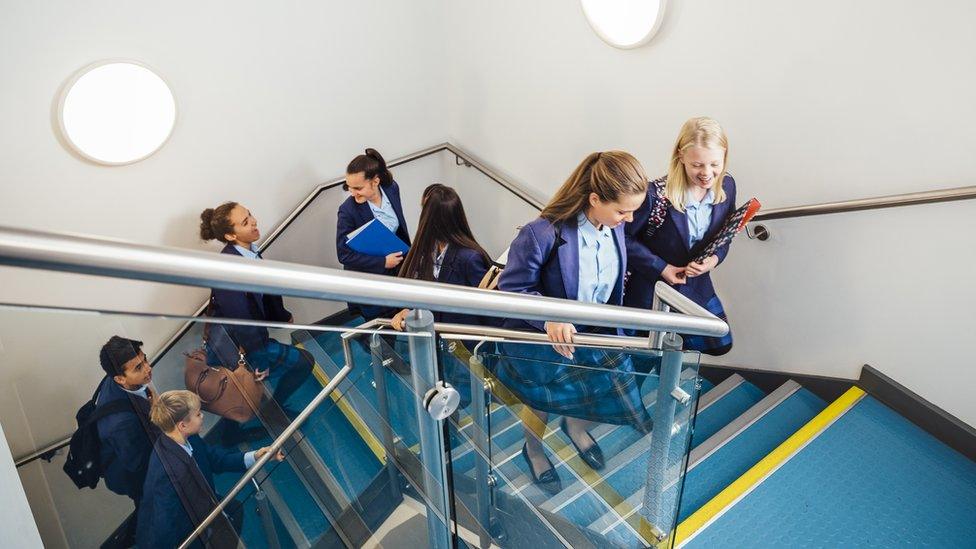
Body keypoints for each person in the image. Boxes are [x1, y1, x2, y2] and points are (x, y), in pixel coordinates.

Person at [496, 151, 650, 495]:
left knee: (604, 393)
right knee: (541, 405)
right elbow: (512, 290)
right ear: (594, 199)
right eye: (622, 211)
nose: (628, 219)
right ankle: (533, 450)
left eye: (633, 211)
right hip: (549, 342)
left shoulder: (613, 227)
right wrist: (550, 318)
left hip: (596, 336)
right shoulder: (541, 233)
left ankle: (576, 428)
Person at [624, 117, 737, 355]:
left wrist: (714, 260)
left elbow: (726, 234)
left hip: (695, 286)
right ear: (680, 156)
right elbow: (623, 239)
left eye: (715, 164)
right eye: (698, 165)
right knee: (648, 356)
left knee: (720, 343)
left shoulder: (727, 186)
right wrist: (662, 267)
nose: (707, 173)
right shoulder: (655, 195)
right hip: (652, 290)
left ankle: (671, 363)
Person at [199, 203, 314, 431]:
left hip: (245, 342)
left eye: (249, 214)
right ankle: (265, 414)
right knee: (304, 362)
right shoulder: (229, 269)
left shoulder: (249, 251)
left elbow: (266, 290)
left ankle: (256, 416)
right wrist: (260, 361)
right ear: (230, 235)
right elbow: (243, 322)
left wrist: (282, 316)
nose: (253, 221)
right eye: (245, 222)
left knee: (243, 389)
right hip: (241, 345)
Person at [137, 390, 284, 548]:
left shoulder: (187, 437)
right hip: (187, 533)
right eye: (198, 414)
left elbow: (216, 459)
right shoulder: (172, 471)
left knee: (234, 511)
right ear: (183, 425)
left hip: (205, 510)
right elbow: (164, 522)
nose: (202, 416)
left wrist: (256, 456)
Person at [390, 183, 495, 330]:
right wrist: (408, 310)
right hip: (435, 334)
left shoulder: (470, 258)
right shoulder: (427, 249)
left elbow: (488, 308)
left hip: (464, 339)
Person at [95, 336, 159, 548]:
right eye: (138, 367)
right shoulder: (121, 424)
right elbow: (138, 466)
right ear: (120, 379)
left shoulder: (120, 383)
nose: (148, 369)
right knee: (147, 504)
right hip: (128, 473)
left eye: (145, 359)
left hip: (128, 455)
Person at [336, 148, 412, 320]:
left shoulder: (392, 189)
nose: (353, 193)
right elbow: (343, 254)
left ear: (376, 181)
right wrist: (383, 262)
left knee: (405, 315)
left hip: (399, 271)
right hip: (371, 280)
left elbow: (399, 228)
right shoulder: (347, 211)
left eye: (358, 188)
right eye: (349, 187)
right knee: (381, 326)